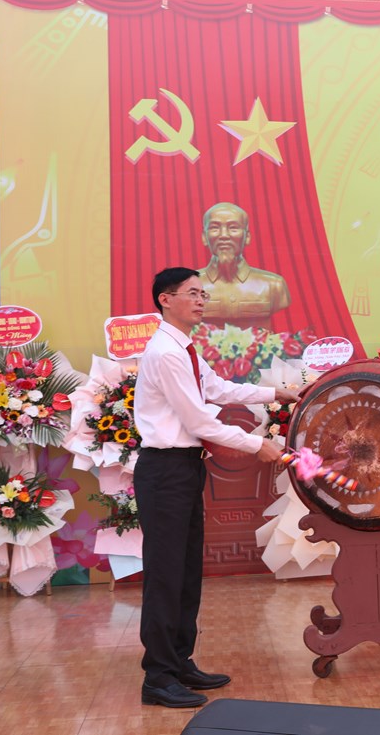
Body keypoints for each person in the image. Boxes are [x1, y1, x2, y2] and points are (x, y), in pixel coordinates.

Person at [134, 266, 296, 708]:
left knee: (186, 572)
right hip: (164, 472)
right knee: (166, 576)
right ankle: (158, 677)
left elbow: (218, 388)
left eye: (203, 294)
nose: (201, 301)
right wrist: (257, 444)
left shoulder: (184, 347)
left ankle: (179, 661)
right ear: (165, 299)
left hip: (185, 468)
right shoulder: (165, 353)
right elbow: (199, 421)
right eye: (192, 293)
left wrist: (273, 394)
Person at [198, 203, 291, 331]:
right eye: (215, 228)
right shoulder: (188, 286)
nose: (224, 235)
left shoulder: (273, 285)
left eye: (233, 228)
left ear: (247, 237)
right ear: (204, 237)